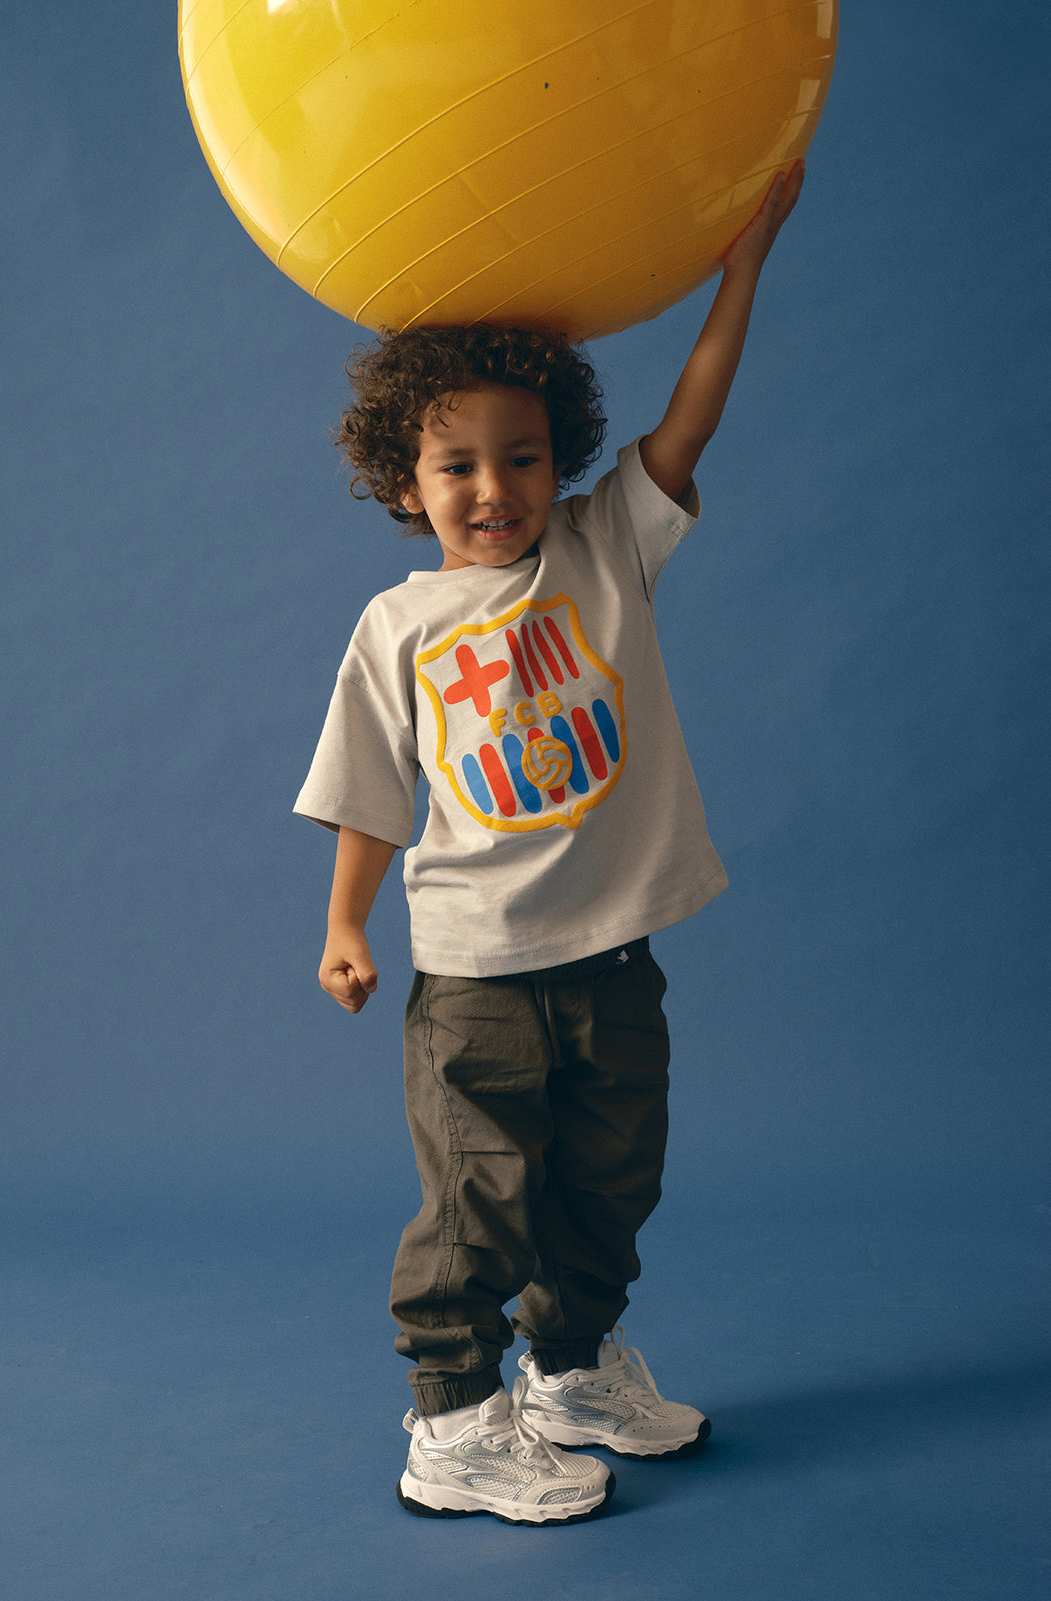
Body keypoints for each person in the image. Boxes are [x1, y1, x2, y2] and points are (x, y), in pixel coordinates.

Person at [295, 162, 805, 1525]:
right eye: (457, 463)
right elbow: (367, 788)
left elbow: (689, 425)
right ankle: (454, 1421)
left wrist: (739, 271)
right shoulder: (396, 629)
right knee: (479, 1199)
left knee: (609, 1178)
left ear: (561, 459)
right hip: (475, 975)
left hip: (612, 954)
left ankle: (570, 1369)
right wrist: (346, 924)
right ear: (405, 476)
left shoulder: (603, 549)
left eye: (522, 457)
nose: (494, 487)